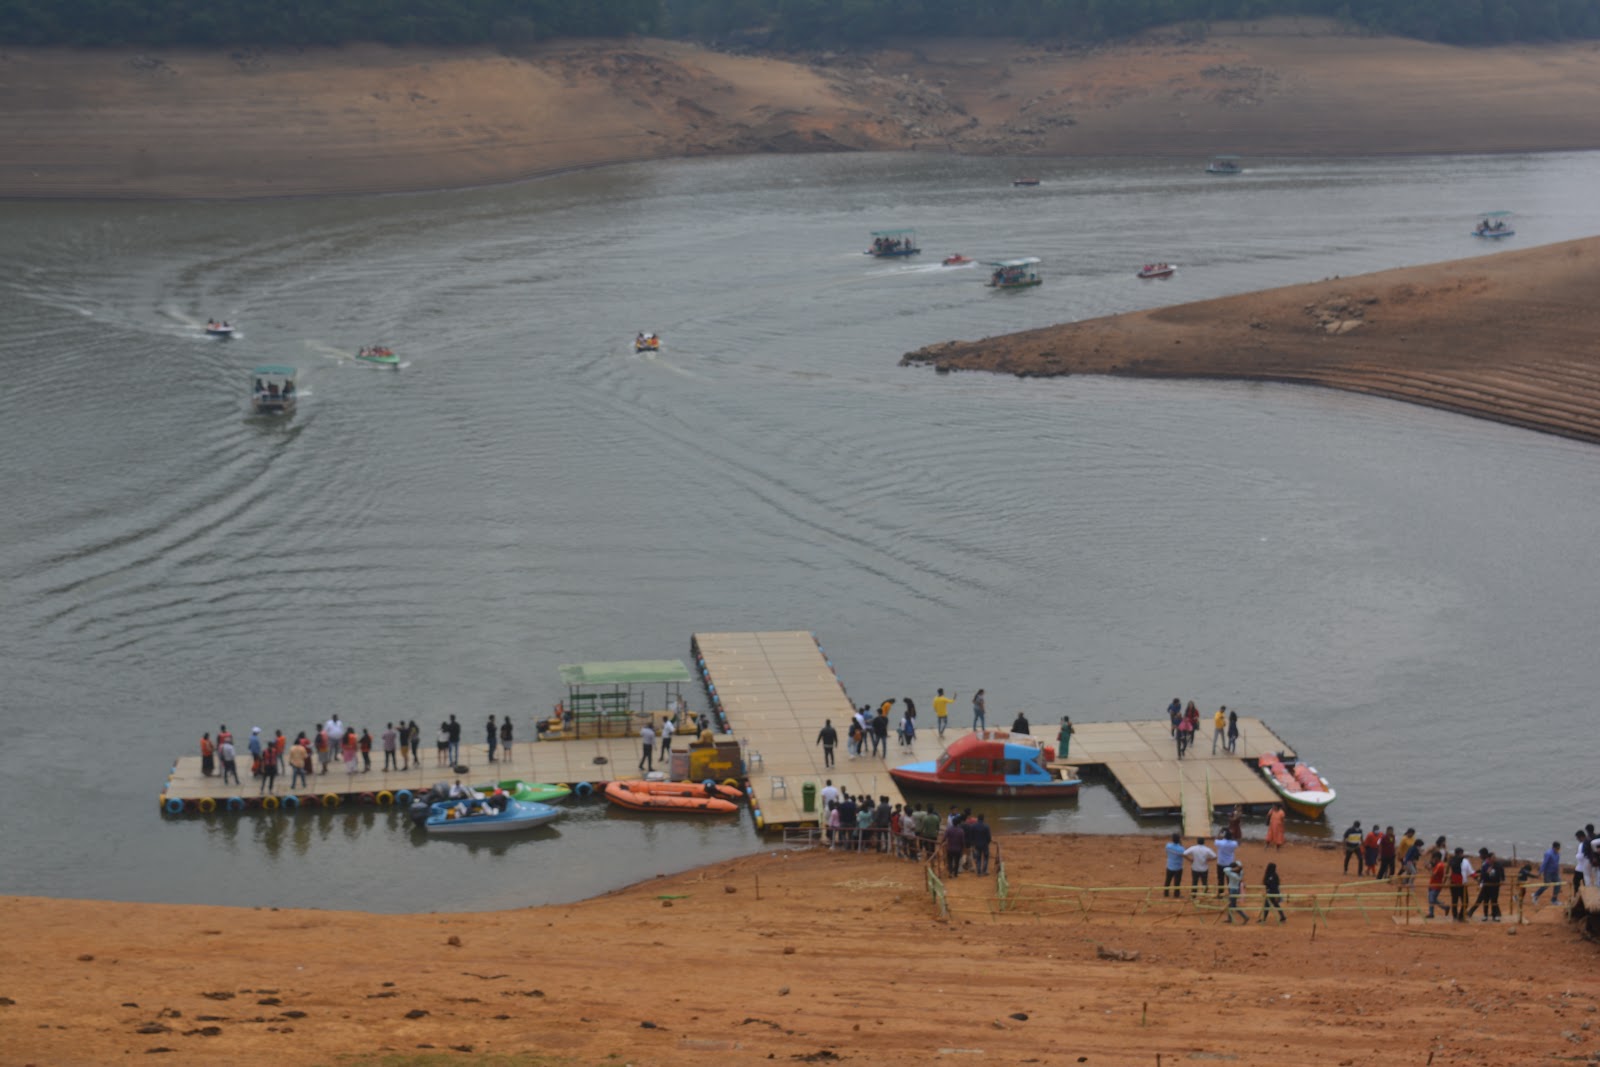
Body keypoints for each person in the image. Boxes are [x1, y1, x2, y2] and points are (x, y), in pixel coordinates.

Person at [1533, 841, 1562, 905]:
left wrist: (1558, 871)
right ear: (1553, 848)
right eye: (1557, 848)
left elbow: (1556, 863)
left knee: (1558, 884)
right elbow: (1544, 863)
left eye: (1559, 848)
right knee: (1546, 885)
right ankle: (1535, 895)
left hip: (1555, 872)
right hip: (1548, 872)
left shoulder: (1558, 854)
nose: (1558, 850)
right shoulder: (1548, 854)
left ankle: (1554, 900)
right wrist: (1540, 872)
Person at [1214, 830, 1239, 897]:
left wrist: (1219, 833)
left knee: (1220, 879)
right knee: (1229, 880)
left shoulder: (1220, 843)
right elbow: (1235, 842)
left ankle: (1220, 894)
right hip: (1229, 863)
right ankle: (1230, 893)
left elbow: (1216, 840)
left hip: (1220, 863)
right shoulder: (1234, 843)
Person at [1427, 850, 1449, 918]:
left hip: (1436, 885)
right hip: (1432, 884)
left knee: (1432, 899)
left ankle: (1431, 913)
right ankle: (1444, 907)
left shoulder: (1440, 865)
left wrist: (1429, 868)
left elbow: (1433, 874)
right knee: (1432, 899)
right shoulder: (1437, 865)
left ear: (1436, 858)